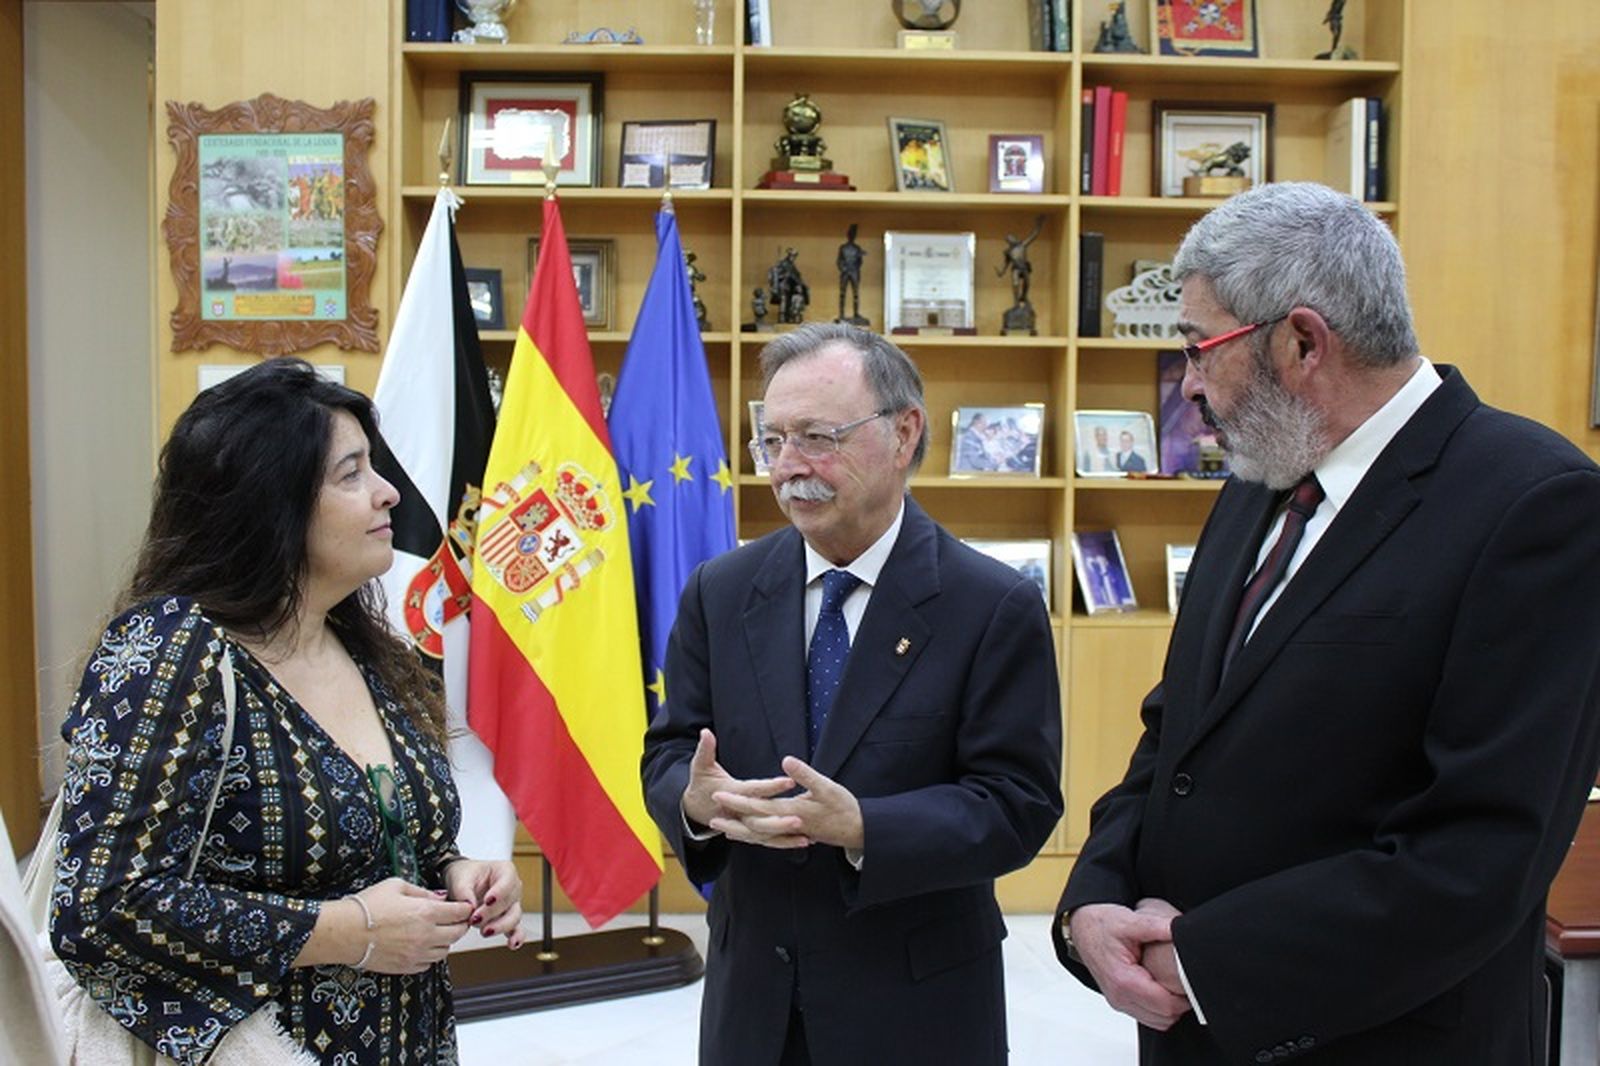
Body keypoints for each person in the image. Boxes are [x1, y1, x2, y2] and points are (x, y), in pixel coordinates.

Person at [1054, 182, 1600, 1064]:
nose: (1186, 385)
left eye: (1198, 349)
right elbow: (1176, 737)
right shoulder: (1257, 482)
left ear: (1302, 340)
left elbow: (1481, 853)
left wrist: (1208, 959)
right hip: (1189, 1024)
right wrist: (1092, 902)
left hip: (1382, 1038)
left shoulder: (1536, 506)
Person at [49, 359, 525, 1065]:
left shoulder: (361, 641)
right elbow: (101, 907)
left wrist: (452, 870)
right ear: (270, 502)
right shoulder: (170, 650)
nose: (389, 493)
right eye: (352, 473)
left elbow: (369, 833)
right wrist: (346, 929)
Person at [642, 322, 1063, 1066]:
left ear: (904, 434)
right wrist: (696, 802)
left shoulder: (990, 604)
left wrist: (864, 825)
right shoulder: (722, 589)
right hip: (754, 1008)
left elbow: (1017, 803)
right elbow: (671, 751)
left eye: (817, 436)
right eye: (771, 441)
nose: (788, 468)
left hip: (914, 1009)